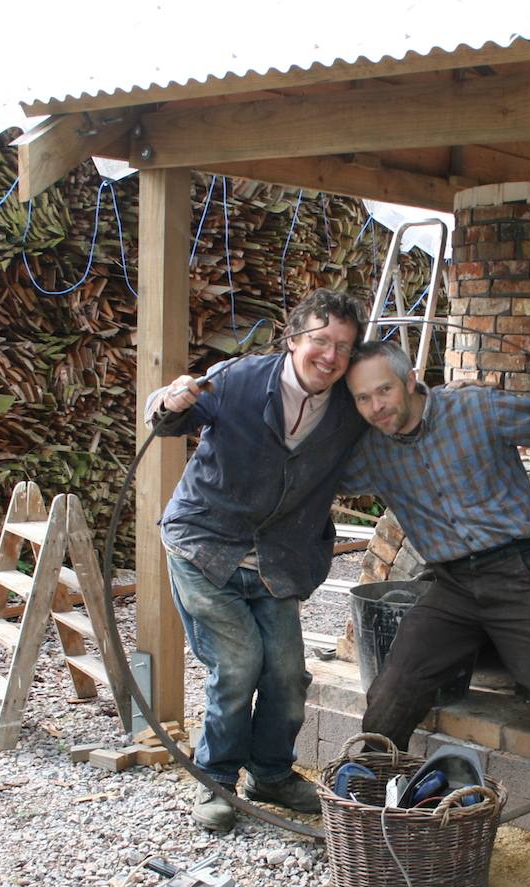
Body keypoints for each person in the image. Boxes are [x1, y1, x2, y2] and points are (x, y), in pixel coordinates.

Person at [341, 340, 530, 851]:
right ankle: (370, 801)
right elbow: (312, 465)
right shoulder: (370, 450)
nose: (377, 407)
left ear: (410, 379)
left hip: (519, 573)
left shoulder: (475, 407)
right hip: (451, 586)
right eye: (362, 399)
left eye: (384, 391)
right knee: (391, 695)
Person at [146, 289, 368, 833]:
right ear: (294, 339)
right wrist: (168, 400)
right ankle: (217, 780)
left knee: (289, 673)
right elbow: (169, 415)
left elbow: (393, 406)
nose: (330, 356)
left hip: (277, 558)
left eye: (344, 346)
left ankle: (269, 774)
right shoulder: (241, 378)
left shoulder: (348, 406)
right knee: (239, 663)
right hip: (205, 546)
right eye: (320, 341)